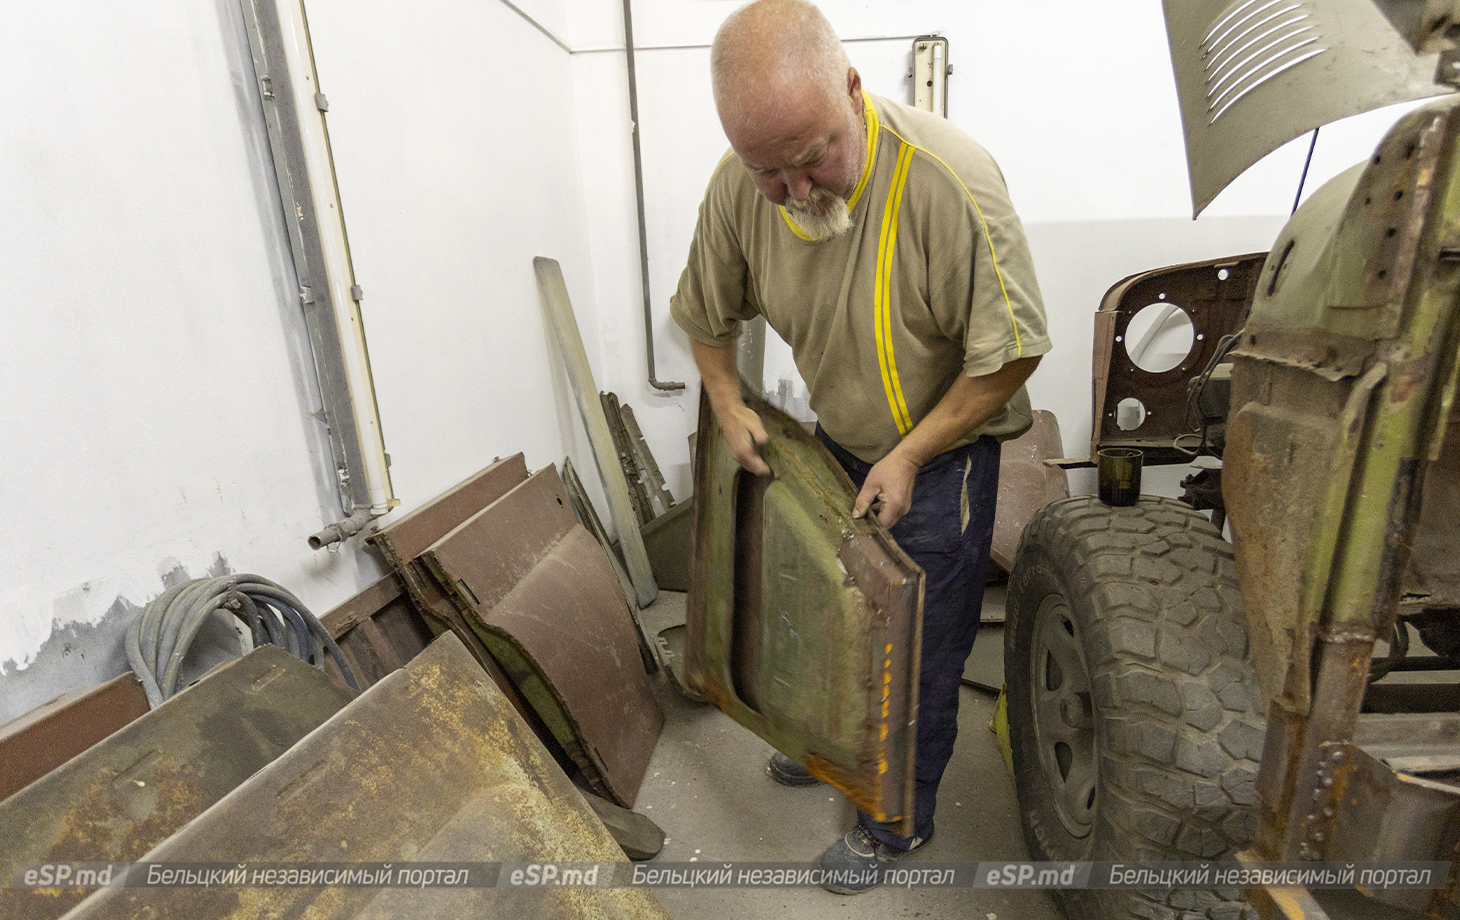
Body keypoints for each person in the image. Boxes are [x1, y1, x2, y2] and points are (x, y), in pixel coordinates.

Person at [670, 0, 1051, 894]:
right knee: (827, 623)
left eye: (815, 159)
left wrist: (912, 455)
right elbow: (703, 314)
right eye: (774, 173)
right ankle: (833, 749)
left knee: (917, 649)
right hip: (833, 446)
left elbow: (1016, 351)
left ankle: (894, 821)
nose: (799, 191)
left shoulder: (949, 179)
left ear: (852, 89)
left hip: (945, 451)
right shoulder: (740, 185)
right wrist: (725, 398)